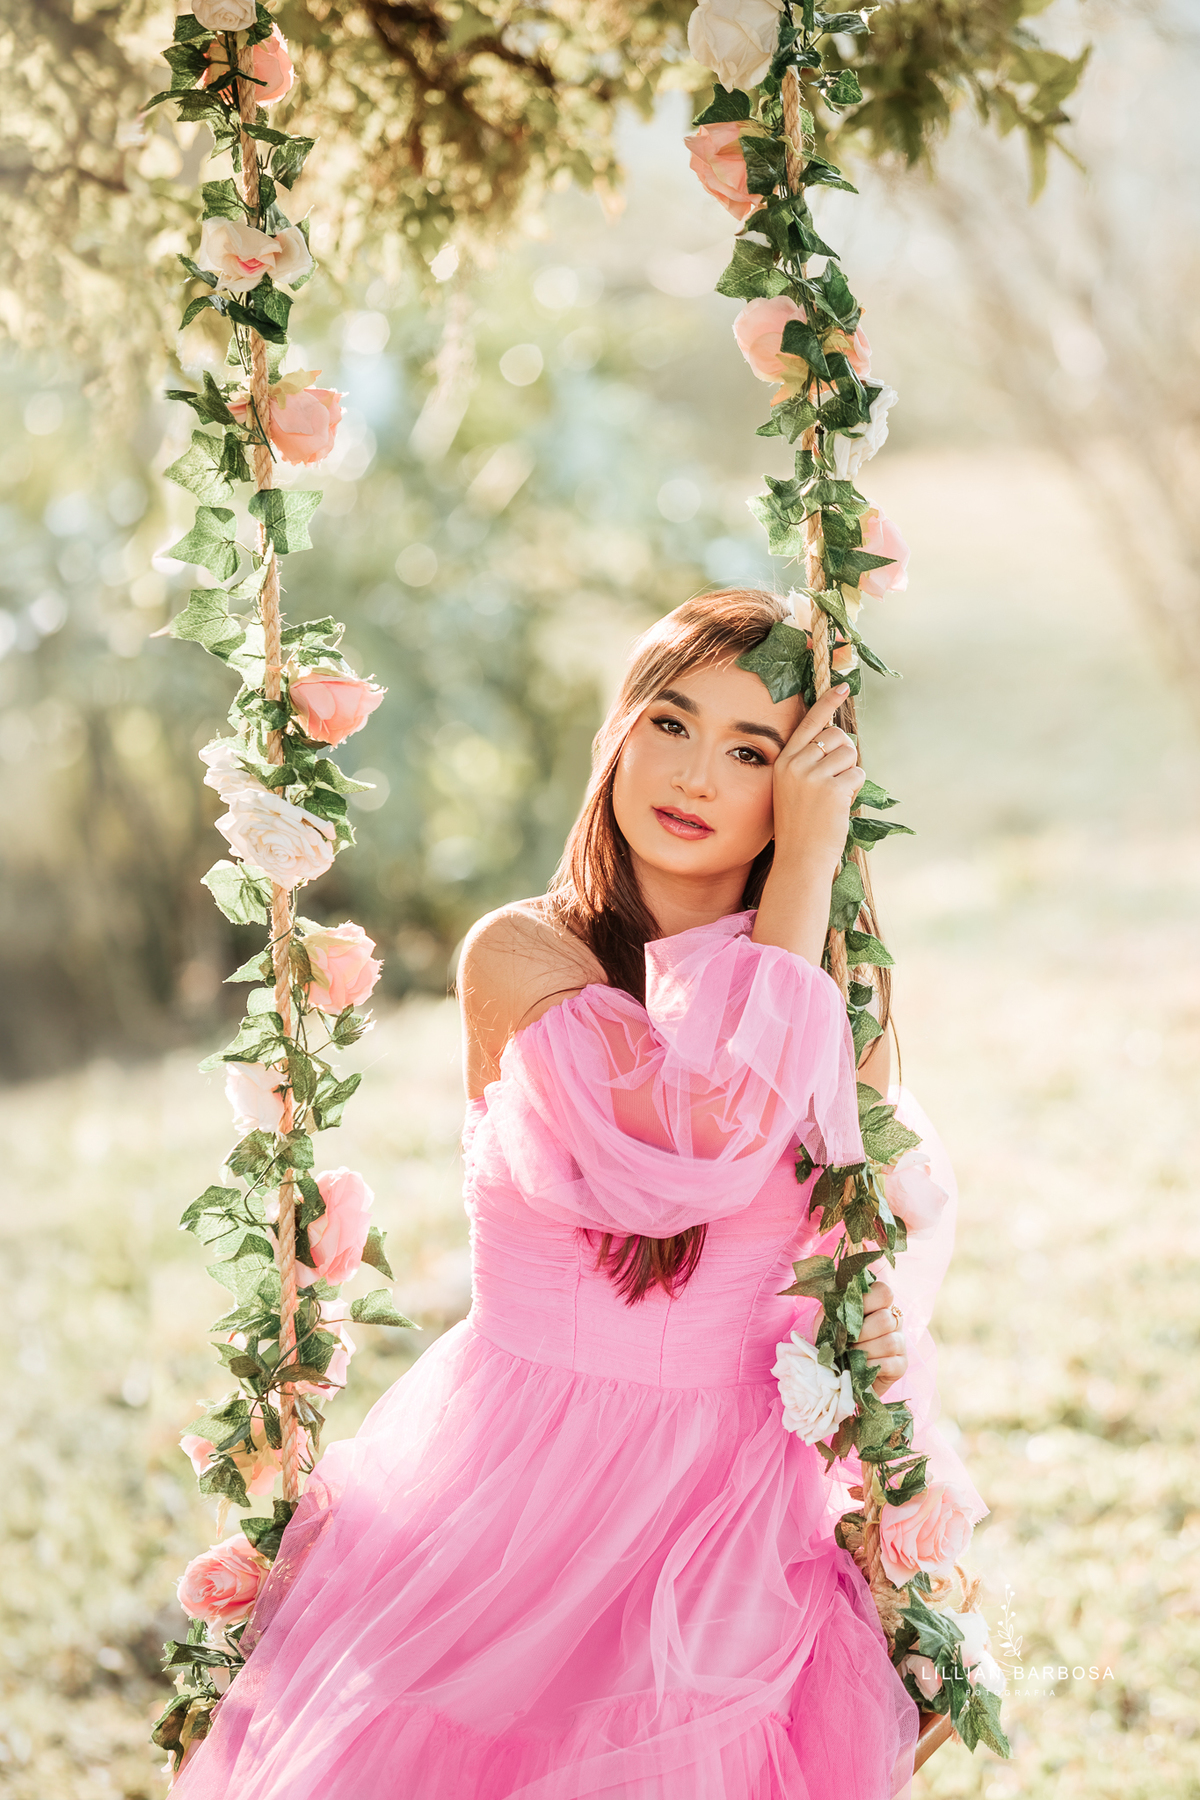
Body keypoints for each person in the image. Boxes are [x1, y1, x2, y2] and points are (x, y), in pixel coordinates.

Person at [173, 588, 983, 1800]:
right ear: (617, 733)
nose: (696, 774)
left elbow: (859, 1248)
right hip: (526, 1484)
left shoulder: (830, 996)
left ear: (801, 783)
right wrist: (808, 865)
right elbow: (694, 1147)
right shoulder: (522, 956)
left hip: (726, 1513)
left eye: (753, 750)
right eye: (669, 722)